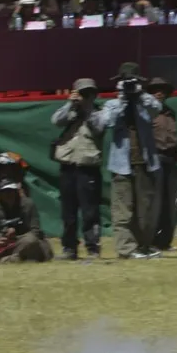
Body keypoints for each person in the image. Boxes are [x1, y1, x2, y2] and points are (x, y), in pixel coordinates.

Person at [90, 62, 163, 259]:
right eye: (125, 81)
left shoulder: (145, 102)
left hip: (145, 163)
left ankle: (144, 247)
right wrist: (122, 100)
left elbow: (157, 108)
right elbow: (104, 123)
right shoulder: (113, 104)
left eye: (132, 81)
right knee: (123, 210)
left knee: (145, 210)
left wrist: (140, 95)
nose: (129, 85)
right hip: (121, 166)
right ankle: (126, 249)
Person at [50, 78, 104, 260]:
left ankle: (93, 248)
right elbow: (56, 121)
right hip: (68, 166)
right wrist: (70, 105)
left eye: (88, 93)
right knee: (68, 211)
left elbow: (99, 128)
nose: (84, 97)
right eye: (81, 93)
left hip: (87, 167)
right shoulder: (69, 111)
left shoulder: (98, 112)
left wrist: (87, 107)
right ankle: (69, 248)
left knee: (90, 212)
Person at [0, 179, 52, 264]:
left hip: (22, 243)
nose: (8, 194)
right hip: (3, 245)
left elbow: (35, 231)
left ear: (16, 192)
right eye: (4, 191)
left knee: (31, 240)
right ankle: (7, 258)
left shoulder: (28, 204)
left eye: (11, 191)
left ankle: (1, 258)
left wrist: (15, 236)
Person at [148, 77, 177, 251]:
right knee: (155, 203)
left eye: (162, 90)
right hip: (155, 159)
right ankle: (152, 240)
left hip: (170, 160)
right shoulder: (147, 113)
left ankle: (165, 241)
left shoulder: (170, 112)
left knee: (169, 204)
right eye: (155, 90)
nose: (159, 93)